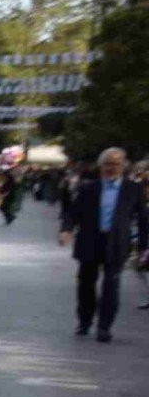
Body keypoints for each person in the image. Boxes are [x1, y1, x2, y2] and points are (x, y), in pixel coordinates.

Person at [59, 145, 148, 343]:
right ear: (101, 166)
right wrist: (66, 230)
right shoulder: (88, 187)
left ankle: (104, 327)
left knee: (111, 285)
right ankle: (84, 321)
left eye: (115, 164)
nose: (111, 168)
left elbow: (143, 219)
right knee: (86, 284)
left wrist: (144, 246)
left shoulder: (133, 189)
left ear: (123, 166)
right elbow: (73, 212)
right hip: (90, 241)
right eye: (107, 164)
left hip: (116, 244)